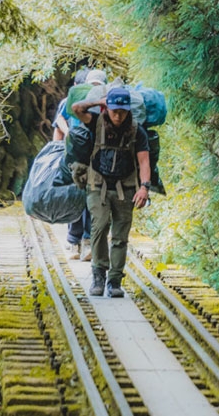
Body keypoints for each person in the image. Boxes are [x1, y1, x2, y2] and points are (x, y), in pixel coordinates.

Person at [71, 85, 151, 298]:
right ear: (108, 108)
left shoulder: (137, 130)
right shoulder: (97, 122)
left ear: (128, 111)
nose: (118, 115)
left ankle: (114, 281)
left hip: (126, 188)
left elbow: (144, 161)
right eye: (114, 110)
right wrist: (99, 103)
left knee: (120, 236)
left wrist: (144, 187)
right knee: (100, 226)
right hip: (97, 185)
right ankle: (98, 275)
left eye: (122, 111)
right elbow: (76, 108)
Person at [53, 67, 96, 260]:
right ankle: (74, 241)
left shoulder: (96, 103)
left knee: (87, 197)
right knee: (75, 195)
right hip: (75, 156)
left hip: (91, 156)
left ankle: (83, 241)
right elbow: (59, 126)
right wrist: (57, 149)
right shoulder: (67, 103)